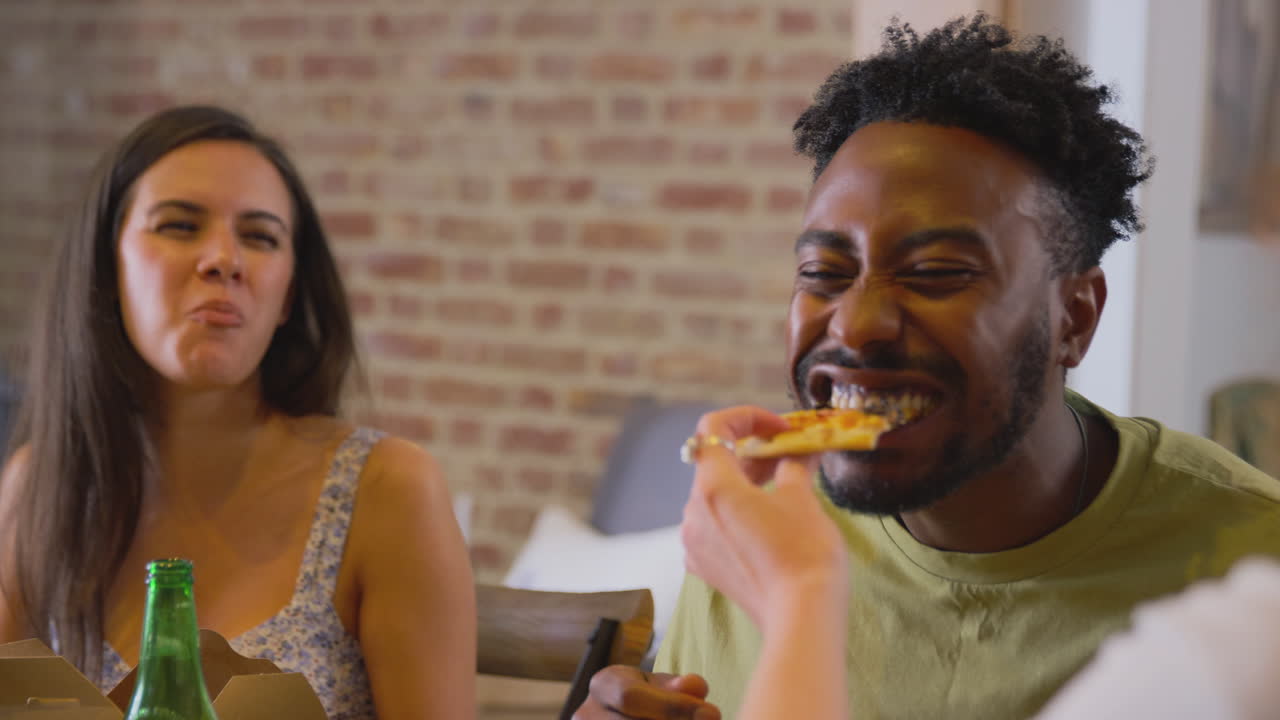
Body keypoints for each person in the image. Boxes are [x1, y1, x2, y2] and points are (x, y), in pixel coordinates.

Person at [576, 14, 1280, 720]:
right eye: (823, 271)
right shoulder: (766, 528)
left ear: (1076, 316)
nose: (855, 324)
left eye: (936, 272)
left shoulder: (1253, 564)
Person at [0, 105, 476, 720]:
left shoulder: (384, 490)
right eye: (178, 225)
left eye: (260, 236)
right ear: (106, 267)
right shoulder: (36, 487)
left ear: (287, 296)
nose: (223, 259)